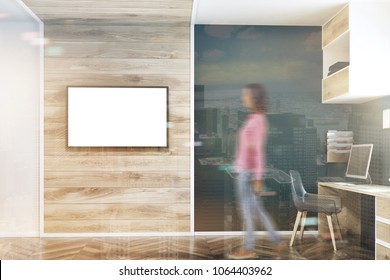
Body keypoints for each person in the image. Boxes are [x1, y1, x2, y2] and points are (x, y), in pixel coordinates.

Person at [228, 83, 283, 259]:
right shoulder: (254, 119)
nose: (243, 98)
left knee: (247, 211)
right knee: (257, 211)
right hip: (245, 171)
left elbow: (258, 151)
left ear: (254, 97)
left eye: (246, 95)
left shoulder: (257, 121)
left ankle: (249, 247)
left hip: (247, 174)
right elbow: (247, 149)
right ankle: (277, 241)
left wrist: (257, 178)